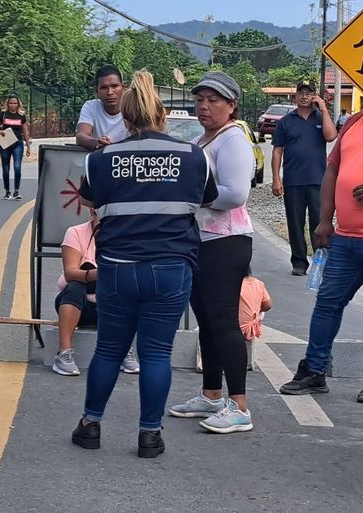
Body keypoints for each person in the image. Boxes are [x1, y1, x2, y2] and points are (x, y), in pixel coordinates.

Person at [71, 70, 217, 459]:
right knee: (156, 353)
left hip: (117, 268)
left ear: (127, 117)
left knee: (108, 351)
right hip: (171, 268)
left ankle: (90, 425)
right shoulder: (194, 156)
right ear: (163, 114)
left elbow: (89, 201)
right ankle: (149, 435)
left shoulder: (101, 159)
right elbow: (206, 199)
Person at [279, 61, 363, 404]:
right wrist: (326, 220)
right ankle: (314, 369)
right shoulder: (353, 122)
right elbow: (332, 171)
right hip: (346, 237)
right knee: (327, 303)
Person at [169, 71, 257, 434]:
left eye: (214, 100)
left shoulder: (233, 139)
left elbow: (236, 193)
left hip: (227, 241)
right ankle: (211, 394)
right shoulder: (208, 138)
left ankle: (239, 406)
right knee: (206, 320)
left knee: (223, 322)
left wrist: (192, 196)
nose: (204, 106)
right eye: (200, 99)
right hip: (202, 240)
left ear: (232, 105)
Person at [52, 210, 139, 377]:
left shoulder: (123, 237)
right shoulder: (75, 232)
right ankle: (63, 354)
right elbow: (70, 273)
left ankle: (125, 349)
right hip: (78, 302)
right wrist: (100, 273)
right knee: (76, 286)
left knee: (127, 290)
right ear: (93, 212)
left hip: (108, 305)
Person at [271, 81, 338, 275]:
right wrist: (276, 178)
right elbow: (277, 151)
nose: (304, 96)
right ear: (295, 97)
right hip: (293, 180)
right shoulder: (286, 121)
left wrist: (324, 109)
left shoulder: (320, 117)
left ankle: (320, 261)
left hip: (318, 180)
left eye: (309, 93)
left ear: (314, 96)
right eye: (301, 93)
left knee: (319, 223)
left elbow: (331, 136)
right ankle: (299, 262)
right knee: (295, 223)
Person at [75, 64, 128, 150]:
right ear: (96, 91)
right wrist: (96, 142)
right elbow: (81, 136)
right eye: (104, 88)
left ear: (124, 87)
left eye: (114, 86)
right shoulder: (91, 106)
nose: (110, 92)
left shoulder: (132, 108)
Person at [0, 95, 29, 200]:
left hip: (17, 143)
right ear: (7, 104)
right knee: (6, 168)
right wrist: (0, 131)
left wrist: (28, 145)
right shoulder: (3, 115)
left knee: (17, 167)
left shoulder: (21, 116)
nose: (13, 105)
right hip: (5, 143)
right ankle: (7, 191)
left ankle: (16, 191)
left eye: (15, 103)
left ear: (18, 104)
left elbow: (25, 131)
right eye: (11, 103)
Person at [239, 268, 272, 341]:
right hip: (252, 328)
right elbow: (268, 305)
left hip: (235, 329)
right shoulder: (259, 284)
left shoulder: (230, 285)